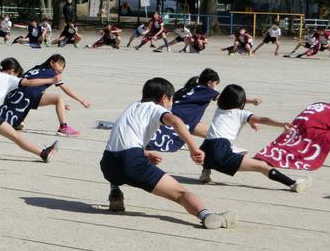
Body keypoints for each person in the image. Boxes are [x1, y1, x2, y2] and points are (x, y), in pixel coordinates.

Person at [100, 77, 237, 230]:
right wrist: (193, 148)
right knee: (180, 193)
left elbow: (120, 140)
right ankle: (206, 215)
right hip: (131, 162)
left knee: (119, 170)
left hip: (107, 164)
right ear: (164, 98)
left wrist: (145, 153)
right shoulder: (156, 108)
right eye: (171, 99)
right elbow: (177, 122)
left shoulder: (132, 107)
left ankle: (115, 191)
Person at [197, 84, 311, 192]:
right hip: (220, 151)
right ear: (240, 101)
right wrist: (281, 124)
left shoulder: (219, 109)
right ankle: (293, 183)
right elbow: (263, 120)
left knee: (234, 151)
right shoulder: (242, 114)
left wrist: (250, 108)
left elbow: (229, 100)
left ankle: (205, 172)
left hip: (204, 151)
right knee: (261, 166)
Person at [0, 57, 59, 161]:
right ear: (12, 71)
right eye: (17, 75)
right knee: (15, 136)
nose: (17, 78)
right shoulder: (8, 77)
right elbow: (28, 83)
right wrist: (51, 80)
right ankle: (43, 154)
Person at [0, 54, 90, 136]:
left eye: (63, 67)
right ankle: (63, 127)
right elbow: (65, 89)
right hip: (27, 96)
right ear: (51, 62)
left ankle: (18, 120)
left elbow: (34, 87)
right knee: (59, 98)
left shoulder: (37, 68)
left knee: (57, 100)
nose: (61, 69)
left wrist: (61, 105)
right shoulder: (52, 73)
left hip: (15, 95)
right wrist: (81, 100)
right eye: (60, 65)